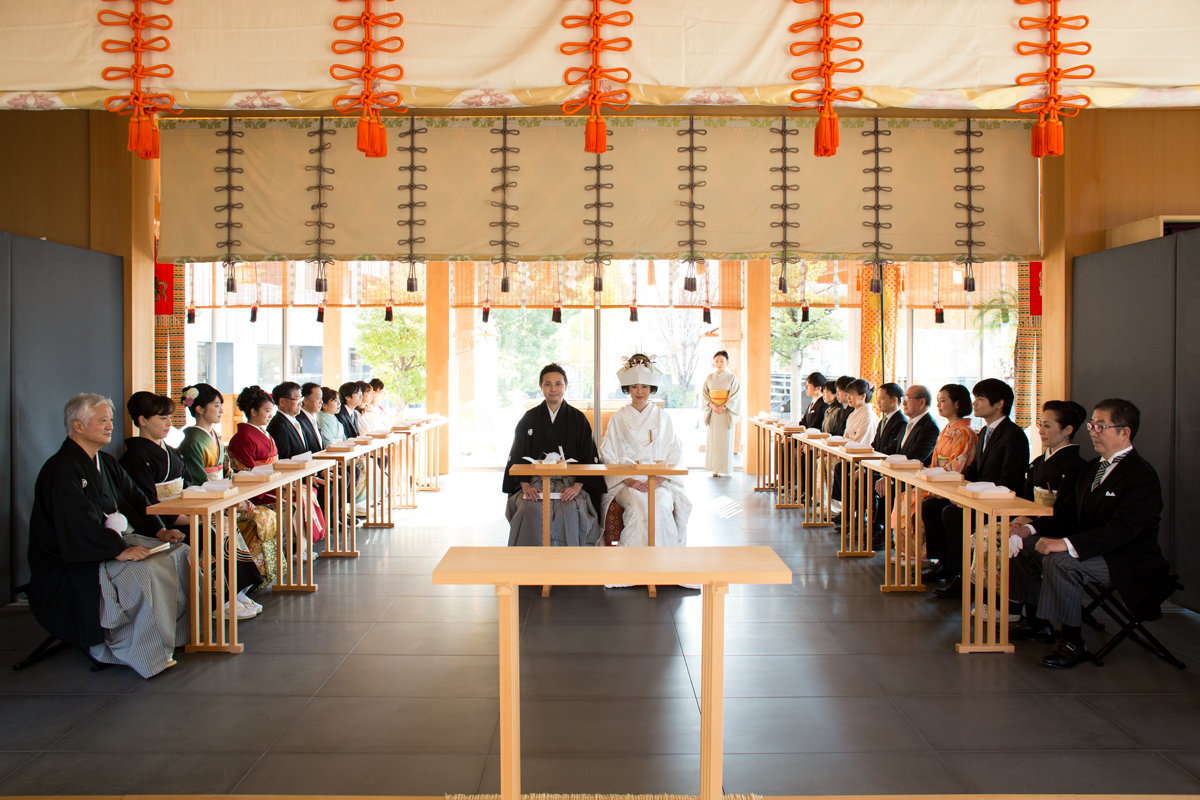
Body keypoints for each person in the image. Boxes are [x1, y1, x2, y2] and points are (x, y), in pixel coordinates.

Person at [27, 394, 189, 678]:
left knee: (180, 554)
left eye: (111, 420)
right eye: (102, 420)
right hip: (77, 558)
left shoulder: (104, 461)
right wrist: (117, 550)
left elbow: (135, 498)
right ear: (78, 426)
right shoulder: (61, 468)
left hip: (112, 541)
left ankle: (177, 638)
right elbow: (74, 522)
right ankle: (143, 652)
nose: (110, 426)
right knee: (141, 571)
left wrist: (159, 529)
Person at [1008, 399, 1170, 668]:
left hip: (1126, 558)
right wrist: (1029, 529)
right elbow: (1069, 512)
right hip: (1093, 549)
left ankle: (1072, 640)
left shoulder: (1141, 475)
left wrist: (1066, 544)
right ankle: (1037, 622)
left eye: (1101, 426)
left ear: (1125, 432)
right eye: (1092, 425)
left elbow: (1122, 531)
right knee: (1022, 547)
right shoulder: (1093, 467)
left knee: (1061, 561)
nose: (1093, 430)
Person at [926, 379, 1029, 599]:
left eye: (980, 399)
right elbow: (974, 469)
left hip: (996, 502)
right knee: (931, 506)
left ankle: (965, 578)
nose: (975, 403)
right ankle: (946, 564)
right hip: (979, 495)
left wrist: (972, 494)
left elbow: (1009, 479)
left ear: (999, 403)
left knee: (952, 513)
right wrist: (952, 482)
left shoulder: (1014, 435)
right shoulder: (984, 432)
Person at [175, 384, 272, 600]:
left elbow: (227, 471)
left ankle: (241, 589)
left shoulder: (215, 436)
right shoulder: (191, 440)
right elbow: (197, 480)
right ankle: (225, 594)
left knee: (256, 518)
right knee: (225, 529)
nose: (221, 411)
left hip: (222, 495)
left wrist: (237, 496)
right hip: (207, 500)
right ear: (199, 409)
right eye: (217, 406)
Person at [1005, 400, 1088, 639]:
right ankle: (1016, 609)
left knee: (1021, 546)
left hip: (1058, 527)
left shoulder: (1075, 466)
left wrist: (1029, 527)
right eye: (1040, 424)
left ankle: (1030, 616)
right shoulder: (1039, 462)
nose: (1041, 430)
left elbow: (1067, 513)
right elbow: (1026, 496)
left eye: (1048, 426)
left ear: (1068, 430)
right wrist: (1020, 518)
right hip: (1035, 521)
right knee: (993, 534)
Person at [503, 363, 604, 546]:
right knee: (529, 507)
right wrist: (525, 486)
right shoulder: (529, 419)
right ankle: (531, 562)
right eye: (548, 384)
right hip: (536, 482)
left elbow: (589, 456)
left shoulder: (578, 419)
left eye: (558, 384)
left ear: (566, 386)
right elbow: (518, 454)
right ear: (541, 387)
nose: (553, 389)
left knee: (571, 508)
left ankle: (570, 562)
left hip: (570, 482)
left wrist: (577, 487)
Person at [600, 354, 693, 549]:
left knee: (660, 505)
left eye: (644, 386)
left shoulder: (663, 417)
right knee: (639, 506)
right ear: (628, 389)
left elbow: (674, 453)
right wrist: (630, 480)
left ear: (651, 388)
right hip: (627, 482)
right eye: (634, 386)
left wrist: (658, 479)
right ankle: (635, 566)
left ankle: (665, 564)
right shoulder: (618, 418)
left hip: (659, 480)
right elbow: (608, 455)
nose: (639, 391)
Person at [231, 385, 325, 543]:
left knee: (306, 490)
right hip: (258, 488)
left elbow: (275, 462)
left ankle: (304, 542)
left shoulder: (263, 432)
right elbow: (246, 471)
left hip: (272, 480)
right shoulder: (243, 437)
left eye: (270, 411)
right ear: (253, 412)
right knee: (297, 496)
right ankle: (293, 545)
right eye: (266, 411)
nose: (270, 416)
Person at [904, 385, 976, 564]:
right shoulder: (946, 430)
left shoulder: (965, 432)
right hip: (938, 481)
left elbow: (957, 465)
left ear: (957, 404)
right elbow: (935, 461)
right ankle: (917, 554)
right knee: (907, 498)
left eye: (943, 401)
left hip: (949, 484)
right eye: (938, 401)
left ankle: (924, 555)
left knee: (913, 502)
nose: (938, 405)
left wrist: (936, 481)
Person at [702, 350, 741, 477]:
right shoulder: (709, 377)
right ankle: (714, 468)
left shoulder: (732, 378)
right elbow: (704, 394)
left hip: (725, 413)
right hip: (713, 412)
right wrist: (713, 406)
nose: (719, 364)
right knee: (713, 441)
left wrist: (723, 407)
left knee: (725, 441)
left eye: (722, 361)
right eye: (717, 361)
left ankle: (725, 468)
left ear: (727, 362)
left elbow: (735, 396)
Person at [268, 382, 312, 460]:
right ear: (282, 402)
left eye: (301, 399)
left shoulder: (295, 421)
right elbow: (284, 459)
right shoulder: (277, 425)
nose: (301, 403)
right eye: (297, 399)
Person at [871, 383, 907, 455]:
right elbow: (875, 445)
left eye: (882, 398)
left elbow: (892, 448)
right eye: (878, 398)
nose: (878, 402)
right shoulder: (883, 421)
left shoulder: (901, 421)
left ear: (894, 400)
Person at [298, 382, 326, 453]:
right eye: (318, 398)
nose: (321, 402)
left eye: (321, 398)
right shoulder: (299, 420)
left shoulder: (312, 418)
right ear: (305, 400)